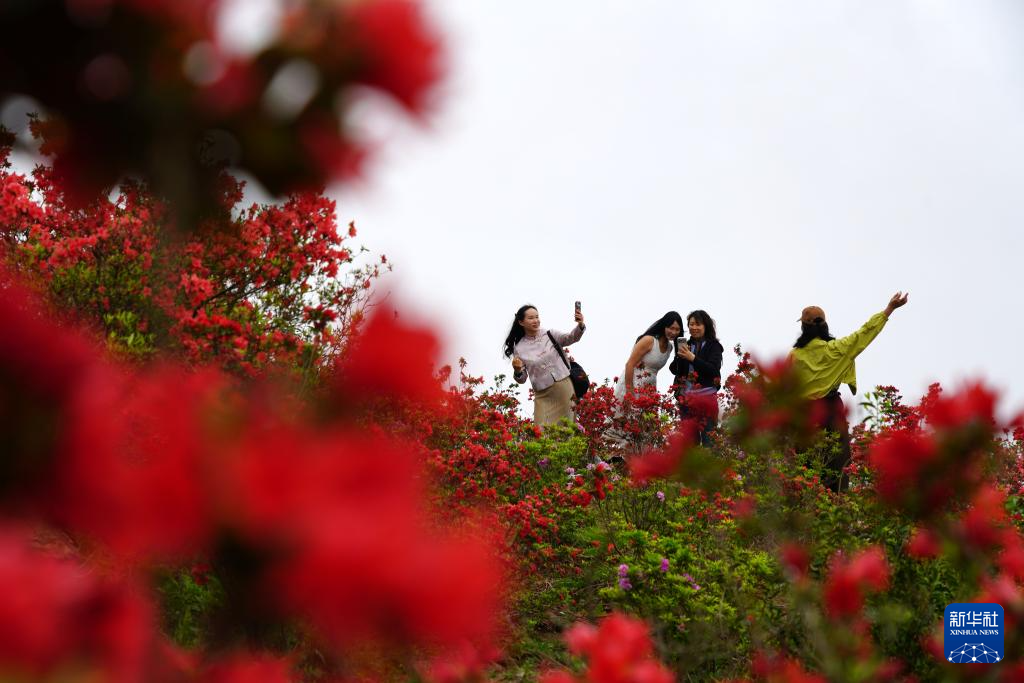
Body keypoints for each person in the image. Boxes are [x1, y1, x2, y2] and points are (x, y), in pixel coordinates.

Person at [789, 291, 909, 492]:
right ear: (825, 326)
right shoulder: (837, 349)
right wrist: (889, 309)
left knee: (804, 475)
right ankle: (836, 506)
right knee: (837, 471)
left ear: (803, 327)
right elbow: (865, 333)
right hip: (831, 414)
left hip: (805, 419)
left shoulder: (794, 356)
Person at [504, 304, 586, 428]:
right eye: (531, 318)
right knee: (540, 430)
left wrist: (580, 325)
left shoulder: (550, 334)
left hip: (564, 387)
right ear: (521, 322)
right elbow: (522, 378)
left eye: (537, 317)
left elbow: (571, 338)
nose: (535, 320)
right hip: (542, 395)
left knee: (566, 428)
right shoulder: (519, 348)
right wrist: (517, 370)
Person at [669, 310, 724, 444]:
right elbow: (674, 369)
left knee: (709, 442)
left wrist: (692, 358)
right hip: (686, 400)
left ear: (706, 326)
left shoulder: (714, 346)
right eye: (691, 324)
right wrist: (680, 357)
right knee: (690, 443)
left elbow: (713, 370)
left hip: (706, 399)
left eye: (698, 324)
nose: (694, 327)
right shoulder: (686, 344)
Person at [614, 311, 684, 401]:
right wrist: (629, 393)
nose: (674, 332)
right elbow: (629, 365)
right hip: (632, 384)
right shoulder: (649, 340)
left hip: (649, 388)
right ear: (664, 326)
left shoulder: (669, 348)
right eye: (671, 328)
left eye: (677, 329)